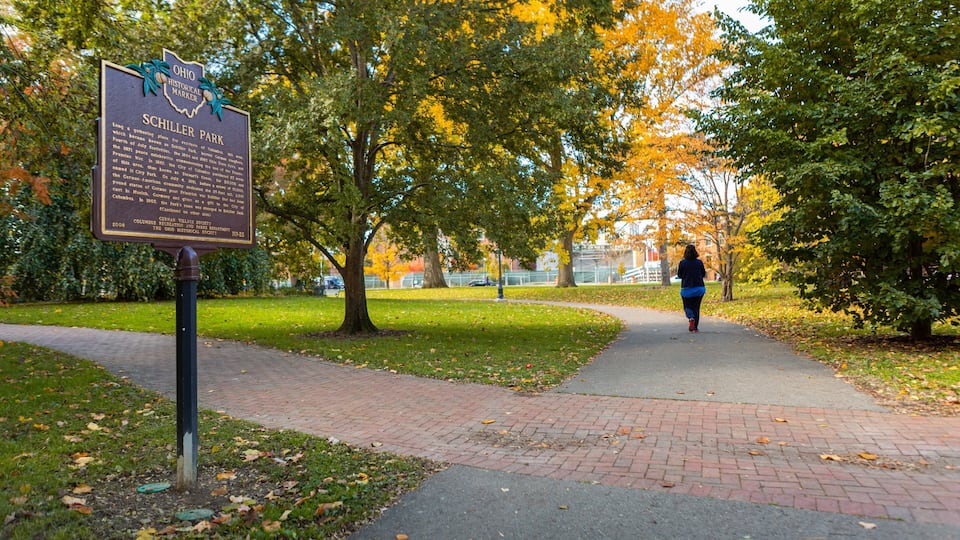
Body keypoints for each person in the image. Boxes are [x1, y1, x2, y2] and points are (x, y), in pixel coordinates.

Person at [676, 244, 706, 332]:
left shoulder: (683, 263)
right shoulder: (699, 262)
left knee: (687, 306)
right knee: (696, 307)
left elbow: (679, 275)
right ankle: (695, 328)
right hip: (699, 288)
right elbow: (703, 274)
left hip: (687, 289)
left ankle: (691, 317)